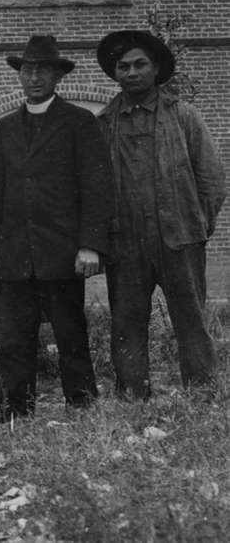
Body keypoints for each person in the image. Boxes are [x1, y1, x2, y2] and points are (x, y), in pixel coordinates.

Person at [0, 36, 113, 419]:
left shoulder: (79, 122)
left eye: (42, 70)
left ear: (57, 76)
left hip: (63, 251)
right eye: (27, 70)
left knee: (70, 333)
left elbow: (97, 188)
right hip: (17, 253)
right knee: (15, 338)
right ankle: (16, 413)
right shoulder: (6, 128)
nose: (34, 77)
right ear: (19, 75)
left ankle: (83, 408)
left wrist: (90, 245)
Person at [95, 30, 226, 400]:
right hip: (125, 245)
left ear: (155, 70)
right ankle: (133, 395)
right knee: (127, 324)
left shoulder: (183, 116)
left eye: (140, 65)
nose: (131, 72)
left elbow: (212, 179)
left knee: (191, 322)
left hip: (179, 241)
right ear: (115, 73)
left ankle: (202, 393)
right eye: (123, 66)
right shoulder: (104, 123)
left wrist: (196, 227)